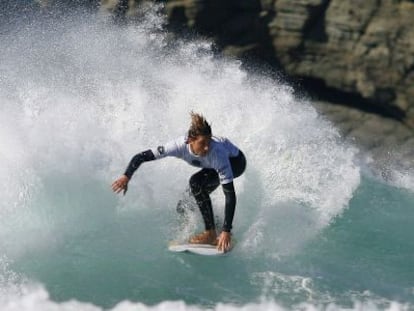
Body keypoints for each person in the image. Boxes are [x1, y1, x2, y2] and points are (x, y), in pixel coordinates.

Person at [112, 112, 246, 252]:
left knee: (196, 183)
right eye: (202, 143)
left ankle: (212, 233)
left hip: (236, 163)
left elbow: (230, 194)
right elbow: (141, 157)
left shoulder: (217, 153)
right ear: (190, 140)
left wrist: (227, 230)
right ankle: (216, 226)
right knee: (184, 205)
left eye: (209, 142)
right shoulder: (177, 146)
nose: (207, 147)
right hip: (211, 167)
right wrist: (126, 176)